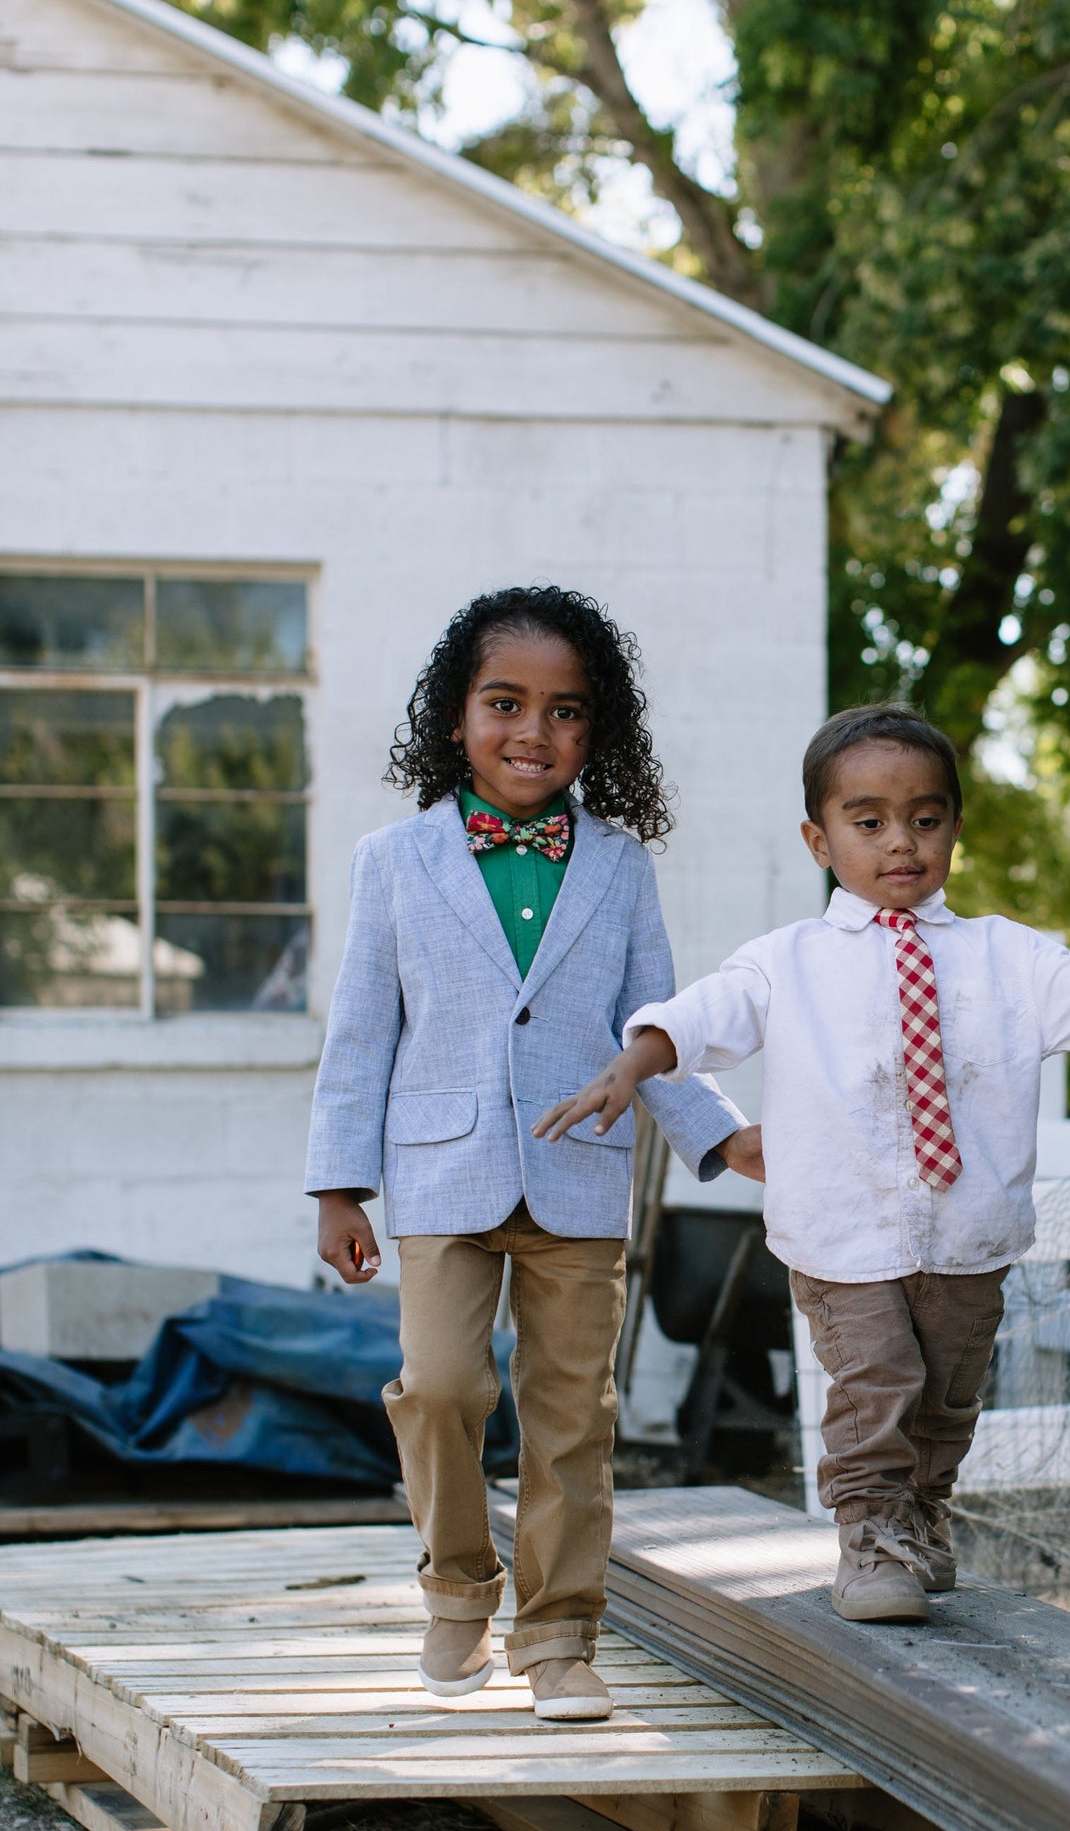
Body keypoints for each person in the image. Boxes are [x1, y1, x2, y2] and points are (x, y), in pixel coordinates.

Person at [536, 703, 1070, 1625]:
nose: (900, 843)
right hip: (841, 1231)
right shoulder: (786, 963)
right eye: (869, 823)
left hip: (967, 1229)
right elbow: (703, 1015)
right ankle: (866, 1535)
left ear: (953, 827)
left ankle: (921, 1515)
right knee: (876, 1388)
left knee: (945, 1396)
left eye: (925, 819)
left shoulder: (1002, 956)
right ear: (819, 840)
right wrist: (635, 1061)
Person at [306, 586, 760, 1717]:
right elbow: (360, 1029)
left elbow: (656, 1029)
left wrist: (720, 1134)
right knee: (444, 1385)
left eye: (565, 711)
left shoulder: (617, 865)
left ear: (594, 731)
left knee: (572, 1415)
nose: (533, 732)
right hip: (439, 1173)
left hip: (580, 1171)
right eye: (504, 704)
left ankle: (559, 1638)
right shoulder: (394, 859)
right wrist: (336, 1183)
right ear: (454, 717)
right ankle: (457, 1588)